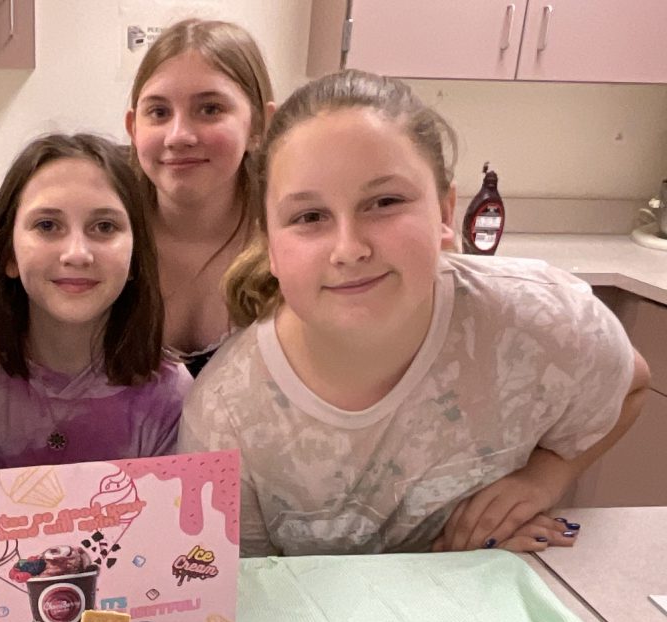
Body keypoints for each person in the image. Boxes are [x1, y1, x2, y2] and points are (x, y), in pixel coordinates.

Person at [178, 70, 650, 557]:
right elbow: (241, 598)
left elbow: (630, 383)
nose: (349, 248)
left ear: (445, 213)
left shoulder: (544, 321)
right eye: (309, 217)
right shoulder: (226, 418)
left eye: (384, 202)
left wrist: (545, 478)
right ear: (270, 246)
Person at [0, 133, 191, 471]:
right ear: (8, 252)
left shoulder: (170, 397)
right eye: (48, 225)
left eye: (105, 226)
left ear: (135, 256)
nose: (77, 254)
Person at [125, 18, 275, 376]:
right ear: (133, 127)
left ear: (259, 125)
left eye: (210, 109)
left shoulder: (290, 244)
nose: (178, 136)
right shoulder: (105, 237)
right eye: (159, 112)